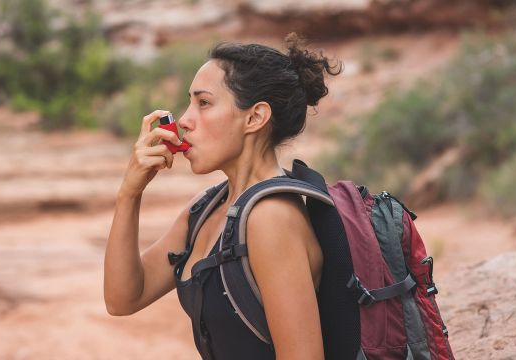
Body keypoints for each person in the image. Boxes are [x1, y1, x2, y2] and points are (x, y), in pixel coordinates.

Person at [104, 33, 342, 360]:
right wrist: (129, 193)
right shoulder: (204, 209)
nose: (185, 120)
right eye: (190, 103)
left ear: (255, 117)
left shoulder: (271, 219)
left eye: (203, 103)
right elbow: (124, 298)